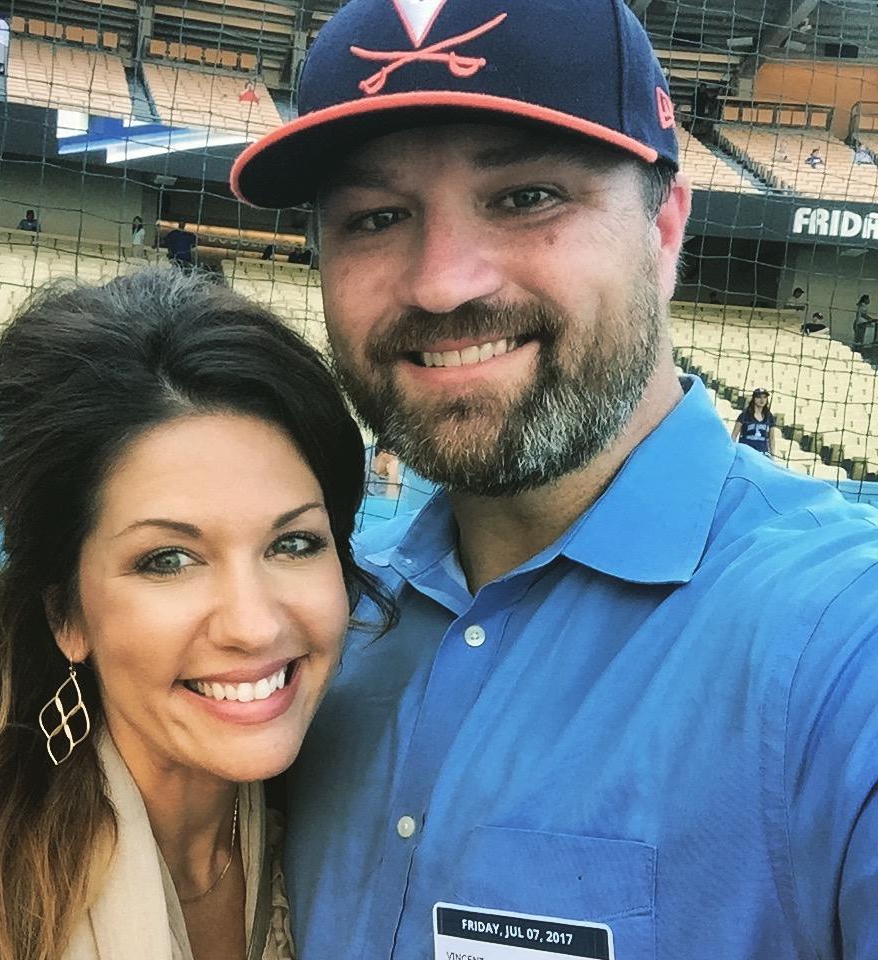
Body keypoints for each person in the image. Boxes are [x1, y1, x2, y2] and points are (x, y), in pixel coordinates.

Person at [231, 1, 878, 957]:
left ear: (664, 229)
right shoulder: (316, 624)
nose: (442, 283)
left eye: (527, 196)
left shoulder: (841, 648)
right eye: (375, 217)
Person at [0, 267, 391, 960]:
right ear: (66, 615)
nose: (255, 626)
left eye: (293, 543)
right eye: (168, 559)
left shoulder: (350, 826)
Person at [731, 388, 777, 457]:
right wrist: (733, 451)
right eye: (759, 397)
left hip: (762, 454)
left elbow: (772, 438)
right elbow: (734, 435)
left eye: (764, 397)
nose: (762, 400)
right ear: (754, 399)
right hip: (746, 453)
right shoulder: (744, 415)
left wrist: (772, 455)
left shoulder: (769, 416)